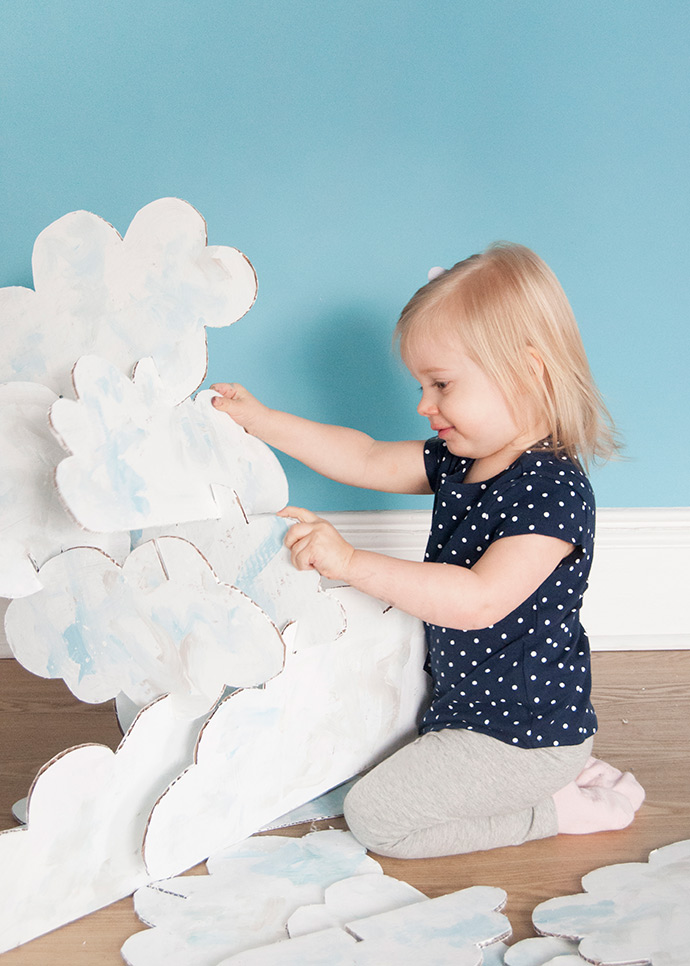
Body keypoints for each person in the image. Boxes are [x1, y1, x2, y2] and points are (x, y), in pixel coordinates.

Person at [211, 242, 645, 859]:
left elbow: (476, 601)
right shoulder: (462, 459)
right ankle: (534, 783)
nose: (423, 403)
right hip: (466, 708)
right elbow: (361, 455)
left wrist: (352, 562)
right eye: (421, 384)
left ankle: (554, 808)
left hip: (523, 735)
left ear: (529, 372)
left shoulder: (551, 492)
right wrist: (262, 421)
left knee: (378, 819)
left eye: (441, 383)